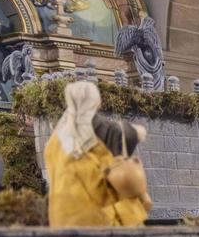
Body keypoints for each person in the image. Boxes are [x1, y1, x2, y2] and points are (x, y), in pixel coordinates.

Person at [46, 80, 151, 227]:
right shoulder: (87, 135)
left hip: (60, 216)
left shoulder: (55, 140)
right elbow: (100, 187)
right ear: (95, 102)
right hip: (92, 220)